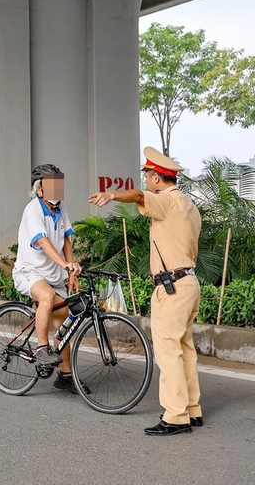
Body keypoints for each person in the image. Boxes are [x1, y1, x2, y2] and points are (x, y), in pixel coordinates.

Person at [89, 147, 202, 436]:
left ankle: (176, 416)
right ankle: (192, 409)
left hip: (172, 287)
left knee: (167, 350)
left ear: (156, 178)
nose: (146, 182)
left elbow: (139, 197)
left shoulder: (167, 201)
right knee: (184, 347)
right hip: (188, 282)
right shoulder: (190, 206)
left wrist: (112, 195)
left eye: (148, 176)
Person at [13, 164, 85, 393]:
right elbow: (43, 242)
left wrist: (70, 270)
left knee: (64, 323)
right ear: (40, 190)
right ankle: (42, 348)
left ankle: (65, 375)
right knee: (46, 296)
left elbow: (66, 240)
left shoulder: (60, 209)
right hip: (30, 271)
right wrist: (64, 263)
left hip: (54, 276)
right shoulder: (32, 210)